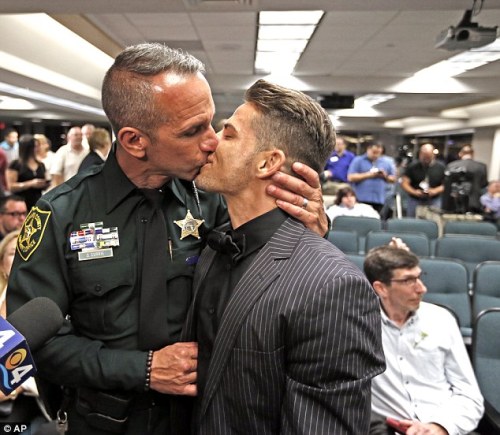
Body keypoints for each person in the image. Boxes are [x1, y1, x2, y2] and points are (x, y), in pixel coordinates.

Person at [7, 43, 329, 435]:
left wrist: (305, 237)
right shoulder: (59, 214)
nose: (212, 141)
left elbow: (269, 289)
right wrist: (143, 370)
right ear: (134, 141)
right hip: (105, 422)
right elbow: (34, 344)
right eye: (192, 131)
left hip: (205, 418)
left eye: (212, 123)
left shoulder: (214, 198)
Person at [180, 79, 385, 434]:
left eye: (228, 134)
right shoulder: (218, 247)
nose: (211, 141)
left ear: (267, 163)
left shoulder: (332, 287)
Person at [363, 244, 484, 435]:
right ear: (381, 288)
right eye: (408, 280)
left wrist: (439, 427)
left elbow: (469, 396)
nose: (422, 288)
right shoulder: (359, 325)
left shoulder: (442, 319)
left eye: (419, 277)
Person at [0, 230, 57, 434]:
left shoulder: (47, 308)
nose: (19, 261)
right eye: (13, 253)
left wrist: (17, 388)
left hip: (37, 403)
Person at [347, 142, 396, 213]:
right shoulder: (358, 160)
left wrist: (385, 176)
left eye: (379, 153)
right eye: (374, 152)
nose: (376, 155)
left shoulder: (387, 162)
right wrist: (370, 175)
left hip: (379, 199)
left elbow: (393, 179)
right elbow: (350, 177)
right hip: (361, 198)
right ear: (368, 149)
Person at [401, 143, 446, 217]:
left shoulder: (441, 167)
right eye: (424, 157)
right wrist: (414, 192)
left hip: (434, 200)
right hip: (415, 199)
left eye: (428, 157)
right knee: (412, 221)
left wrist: (435, 191)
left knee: (434, 221)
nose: (426, 160)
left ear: (433, 155)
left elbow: (445, 185)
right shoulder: (412, 166)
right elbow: (404, 183)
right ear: (420, 154)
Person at [6, 134, 50, 210]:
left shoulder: (41, 165)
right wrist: (30, 184)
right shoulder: (15, 164)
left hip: (37, 203)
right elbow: (11, 187)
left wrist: (44, 184)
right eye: (35, 146)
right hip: (20, 203)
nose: (38, 148)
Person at [445, 144, 488, 213]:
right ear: (472, 154)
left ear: (460, 154)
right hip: (474, 204)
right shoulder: (481, 167)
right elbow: (483, 184)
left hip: (454, 204)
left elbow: (446, 186)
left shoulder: (451, 165)